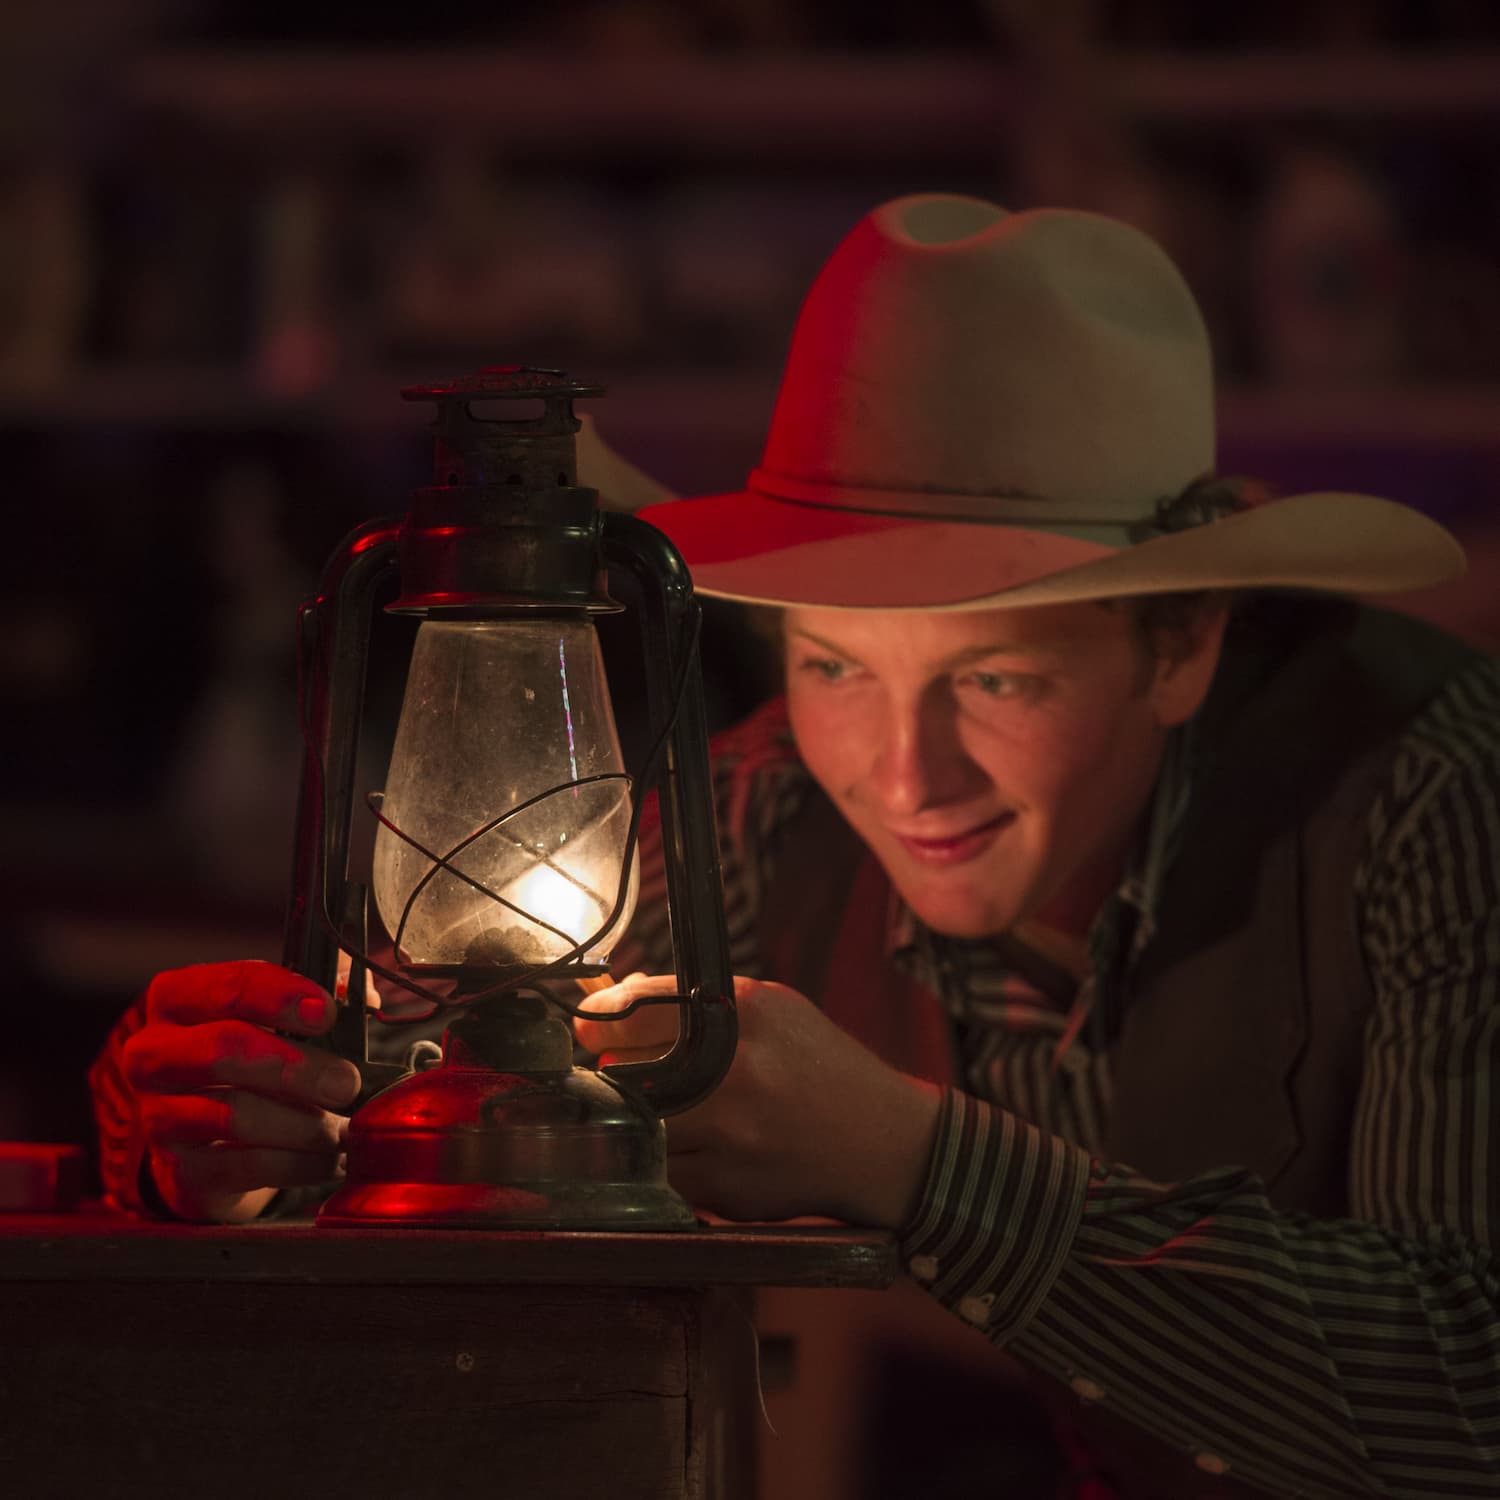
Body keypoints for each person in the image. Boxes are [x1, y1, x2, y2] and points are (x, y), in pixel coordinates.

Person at [92, 196, 1499, 1498]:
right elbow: (437, 1078)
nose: (901, 774)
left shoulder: (1432, 798)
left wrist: (917, 1165)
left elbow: (1473, 1393)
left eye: (996, 681)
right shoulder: (766, 813)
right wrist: (212, 1130)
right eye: (834, 667)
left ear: (1183, 640)